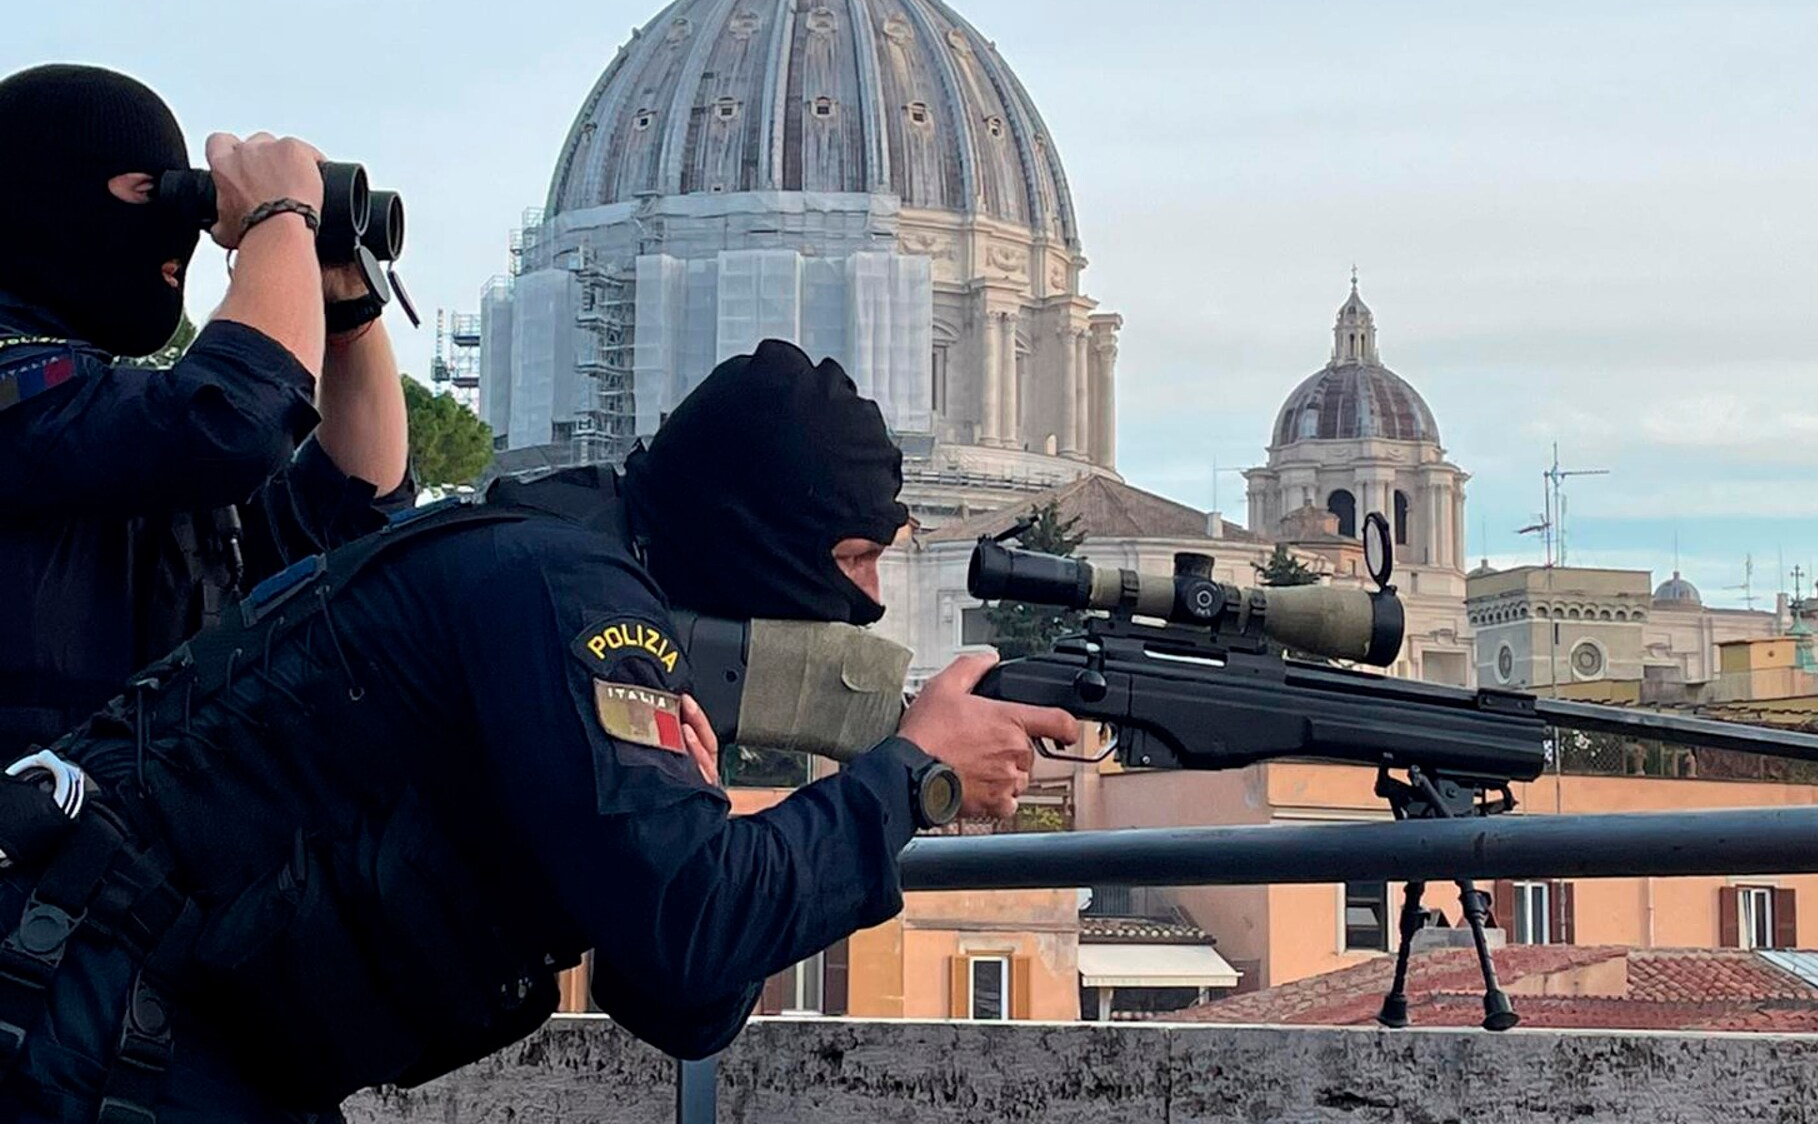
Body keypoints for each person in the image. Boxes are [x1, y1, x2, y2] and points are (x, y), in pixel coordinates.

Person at [0, 340, 1078, 1123]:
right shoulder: (572, 595)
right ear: (755, 534)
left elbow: (675, 994)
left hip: (158, 1036)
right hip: (89, 1027)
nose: (870, 603)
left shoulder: (578, 565)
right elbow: (691, 922)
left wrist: (701, 816)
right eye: (852, 560)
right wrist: (912, 775)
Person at [0, 63, 412, 754]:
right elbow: (229, 424)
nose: (180, 232)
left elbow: (346, 519)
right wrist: (281, 217)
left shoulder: (110, 430)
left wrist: (344, 306)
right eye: (154, 194)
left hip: (114, 815)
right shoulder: (27, 393)